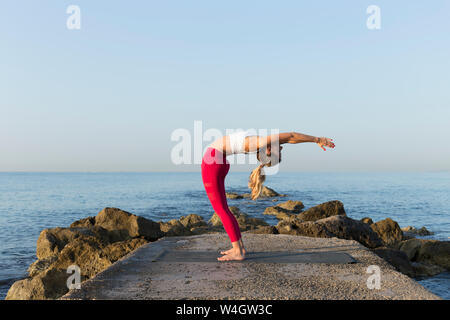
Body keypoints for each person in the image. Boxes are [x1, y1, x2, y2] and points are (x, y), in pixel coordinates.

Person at [201, 131, 335, 261]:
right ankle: (239, 248)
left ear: (269, 151)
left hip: (212, 161)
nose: (281, 147)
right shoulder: (261, 143)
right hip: (218, 160)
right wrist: (314, 140)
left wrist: (317, 139)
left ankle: (238, 251)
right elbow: (289, 139)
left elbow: (291, 136)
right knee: (223, 209)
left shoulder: (262, 142)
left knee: (221, 210)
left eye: (280, 151)